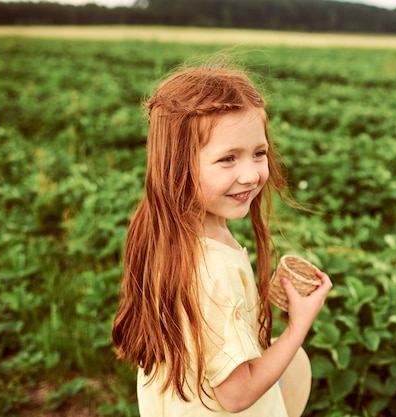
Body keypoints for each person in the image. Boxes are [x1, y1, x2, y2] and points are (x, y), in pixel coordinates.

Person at [111, 59, 332, 416]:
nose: (249, 175)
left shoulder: (167, 230)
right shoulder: (214, 270)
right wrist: (298, 326)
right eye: (228, 159)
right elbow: (236, 395)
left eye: (258, 153)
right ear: (178, 165)